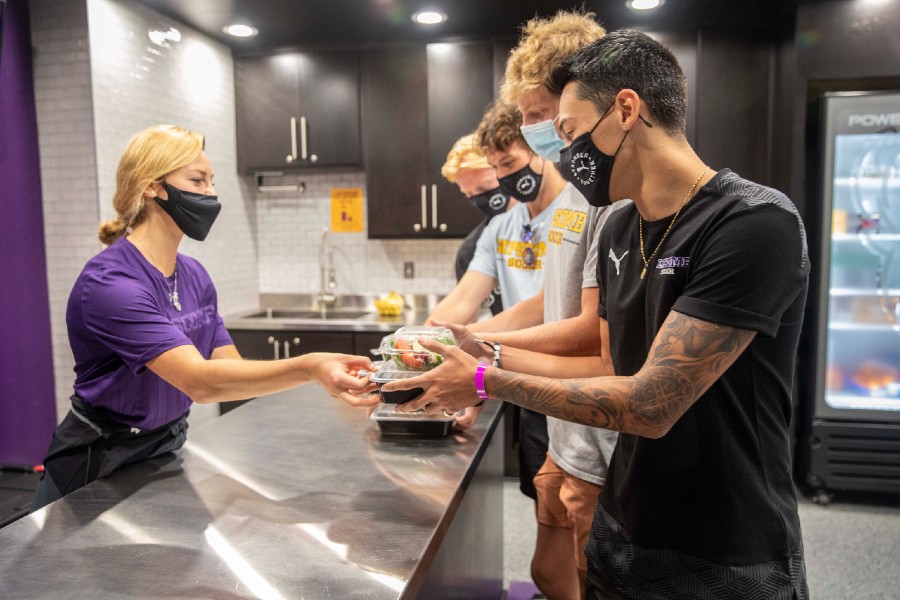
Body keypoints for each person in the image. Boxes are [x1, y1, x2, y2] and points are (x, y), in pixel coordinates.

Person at [386, 29, 810, 600]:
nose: (563, 152)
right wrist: (486, 348)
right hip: (625, 520)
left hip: (726, 547)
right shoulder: (615, 226)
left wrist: (486, 379)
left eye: (568, 131)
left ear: (626, 110)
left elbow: (650, 404)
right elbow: (606, 360)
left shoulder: (753, 222)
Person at [33, 125, 377, 510]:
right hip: (99, 458)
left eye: (212, 181)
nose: (211, 193)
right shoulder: (111, 283)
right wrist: (311, 367)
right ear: (152, 187)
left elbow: (228, 374)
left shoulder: (193, 274)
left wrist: (316, 375)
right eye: (197, 180)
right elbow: (200, 383)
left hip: (166, 445)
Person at [444, 11, 616, 600]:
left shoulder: (600, 203)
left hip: (598, 435)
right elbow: (552, 309)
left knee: (589, 577)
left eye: (541, 117)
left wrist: (487, 364)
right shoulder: (560, 206)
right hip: (562, 426)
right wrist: (454, 339)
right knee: (548, 572)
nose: (537, 128)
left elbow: (587, 335)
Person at [427, 99, 567, 502]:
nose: (506, 178)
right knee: (544, 505)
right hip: (523, 380)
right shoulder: (501, 227)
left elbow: (545, 304)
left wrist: (460, 338)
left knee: (580, 516)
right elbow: (464, 296)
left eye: (507, 165)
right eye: (499, 167)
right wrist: (420, 339)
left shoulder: (578, 210)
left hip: (569, 377)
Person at [441, 133, 515, 318]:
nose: (479, 200)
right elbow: (462, 305)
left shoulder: (552, 224)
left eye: (485, 188)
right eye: (469, 194)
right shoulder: (472, 250)